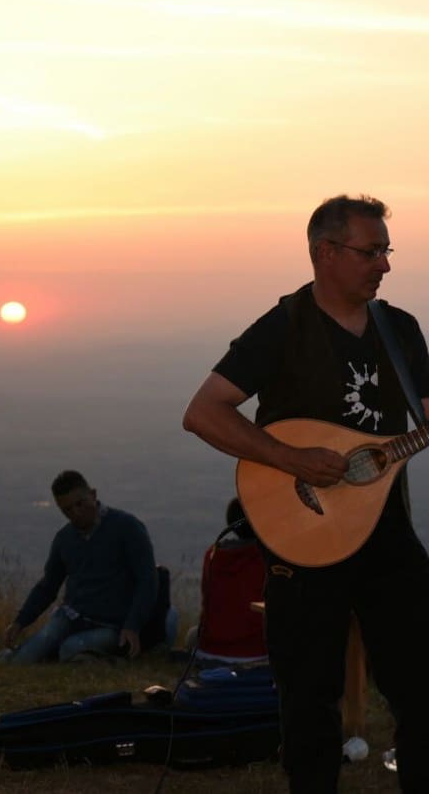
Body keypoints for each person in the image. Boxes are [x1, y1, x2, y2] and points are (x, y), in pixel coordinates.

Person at [182, 194, 429, 793]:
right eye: (372, 252)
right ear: (326, 253)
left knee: (423, 689)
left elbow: (422, 415)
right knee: (308, 708)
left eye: (386, 251)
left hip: (387, 535)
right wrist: (290, 458)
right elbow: (204, 412)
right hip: (301, 541)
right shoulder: (285, 326)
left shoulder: (399, 330)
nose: (385, 266)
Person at [0, 470, 158, 663]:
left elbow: (147, 580)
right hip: (72, 617)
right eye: (67, 510)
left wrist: (132, 626)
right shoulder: (64, 539)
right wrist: (20, 622)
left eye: (80, 504)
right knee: (28, 656)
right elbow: (48, 586)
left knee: (70, 648)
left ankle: (99, 658)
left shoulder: (127, 528)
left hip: (113, 624)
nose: (76, 513)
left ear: (93, 495)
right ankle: (18, 658)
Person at [185, 498, 268, 664]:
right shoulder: (267, 557)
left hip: (208, 650)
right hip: (256, 652)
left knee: (192, 635)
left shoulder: (213, 554)